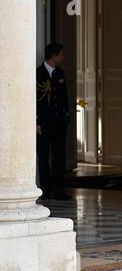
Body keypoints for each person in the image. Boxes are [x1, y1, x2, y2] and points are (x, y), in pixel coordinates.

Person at [36, 43, 71, 201]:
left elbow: (64, 99)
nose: (62, 58)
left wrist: (67, 118)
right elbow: (35, 101)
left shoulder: (60, 73)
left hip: (58, 123)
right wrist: (36, 122)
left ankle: (58, 190)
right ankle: (45, 189)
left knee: (60, 157)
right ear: (53, 56)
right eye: (61, 55)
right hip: (42, 124)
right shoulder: (38, 73)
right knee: (43, 157)